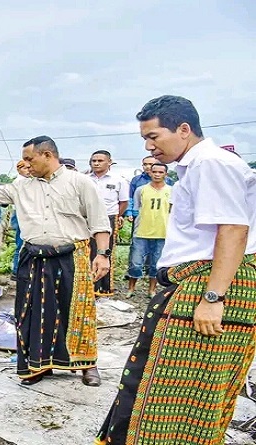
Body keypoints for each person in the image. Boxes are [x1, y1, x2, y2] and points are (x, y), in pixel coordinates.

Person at [97, 95, 256, 445]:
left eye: (154, 136)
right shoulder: (198, 167)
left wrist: (214, 297)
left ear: (184, 129)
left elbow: (233, 229)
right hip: (197, 281)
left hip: (209, 284)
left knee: (178, 393)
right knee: (164, 385)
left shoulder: (211, 164)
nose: (150, 147)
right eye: (145, 139)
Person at [0, 136, 111, 386]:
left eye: (30, 159)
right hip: (34, 257)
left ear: (48, 155)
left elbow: (99, 222)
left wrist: (103, 255)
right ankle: (38, 366)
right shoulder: (21, 186)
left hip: (73, 255)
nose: (26, 164)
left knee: (78, 312)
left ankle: (87, 365)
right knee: (32, 314)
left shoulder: (79, 182)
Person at [126, 163, 171, 297]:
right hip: (142, 231)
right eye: (154, 172)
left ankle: (152, 290)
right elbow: (136, 207)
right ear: (150, 173)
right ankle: (131, 289)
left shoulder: (171, 190)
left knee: (156, 263)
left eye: (160, 172)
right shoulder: (141, 189)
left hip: (162, 231)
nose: (157, 174)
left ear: (165, 174)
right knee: (135, 262)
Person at [88, 150, 129, 297]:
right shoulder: (86, 179)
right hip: (88, 219)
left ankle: (103, 289)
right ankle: (88, 286)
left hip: (108, 218)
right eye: (94, 161)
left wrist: (117, 215)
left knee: (105, 252)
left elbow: (123, 202)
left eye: (100, 160)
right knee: (87, 251)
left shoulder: (118, 180)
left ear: (109, 162)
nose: (96, 163)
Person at [10, 160, 31, 279]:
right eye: (25, 168)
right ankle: (16, 271)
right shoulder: (19, 182)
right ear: (19, 169)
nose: (28, 170)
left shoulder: (28, 181)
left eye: (29, 168)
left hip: (24, 214)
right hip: (20, 214)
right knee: (20, 243)